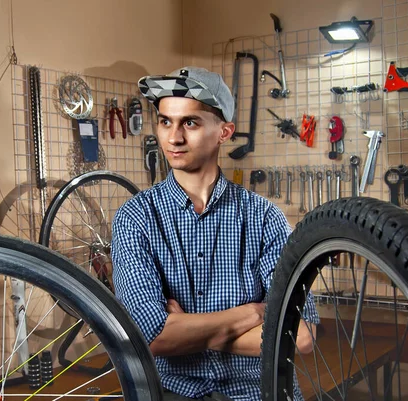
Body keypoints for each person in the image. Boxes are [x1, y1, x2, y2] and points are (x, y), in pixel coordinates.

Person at [111, 67, 319, 401]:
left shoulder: (265, 218)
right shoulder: (136, 218)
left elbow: (302, 335)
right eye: (165, 121)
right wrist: (251, 313)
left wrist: (187, 329)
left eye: (189, 123)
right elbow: (150, 336)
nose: (174, 137)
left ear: (224, 132)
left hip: (259, 392)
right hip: (174, 393)